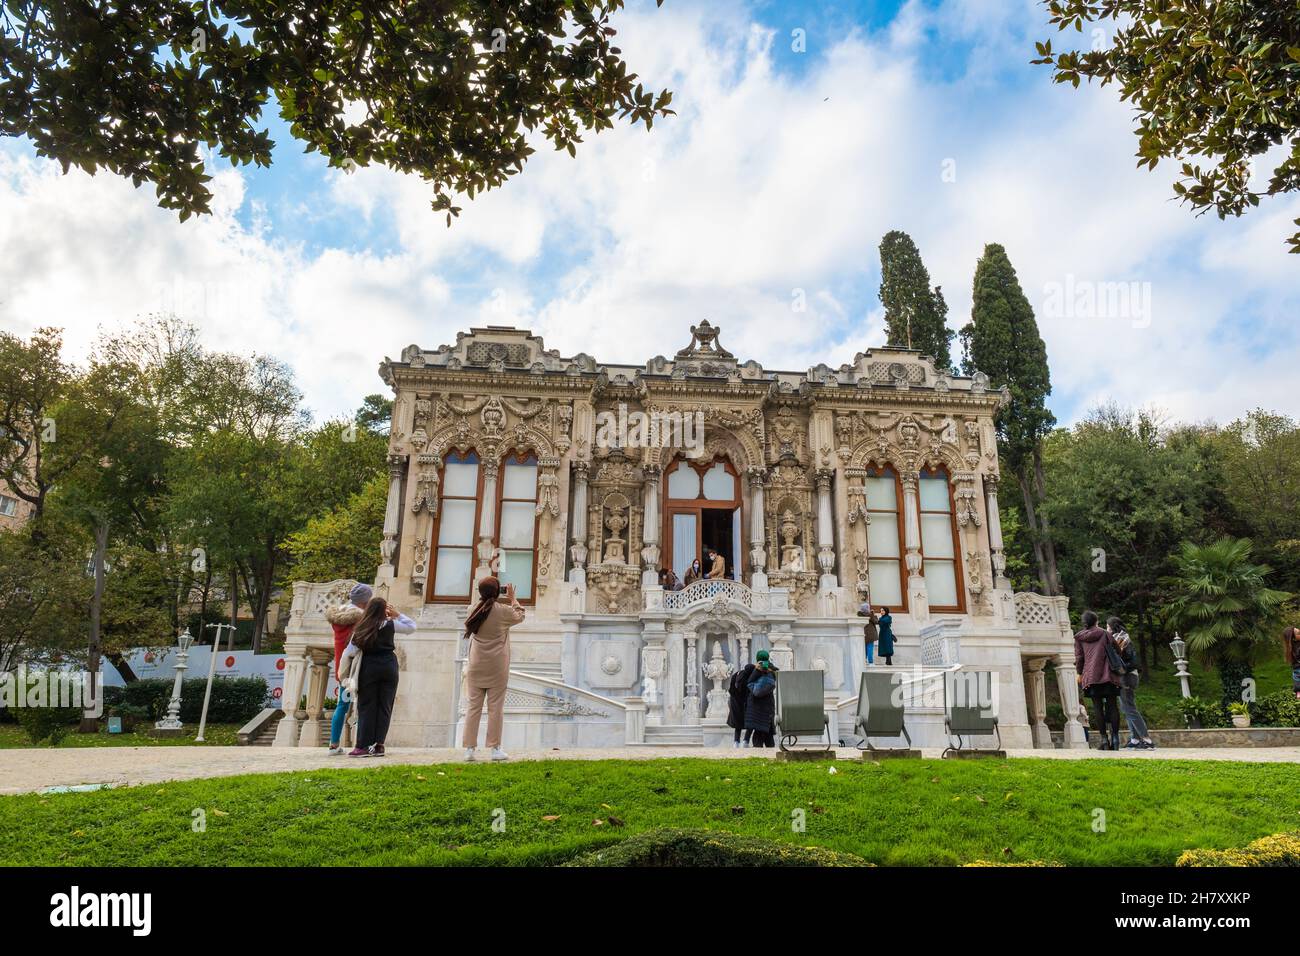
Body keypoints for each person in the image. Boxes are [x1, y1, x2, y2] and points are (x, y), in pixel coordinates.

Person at [462, 575, 526, 762]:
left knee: (473, 707)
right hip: (497, 666)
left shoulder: (472, 610)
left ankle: (469, 749)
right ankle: (495, 748)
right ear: (498, 592)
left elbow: (481, 608)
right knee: (495, 708)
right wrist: (513, 598)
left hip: (476, 665)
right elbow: (520, 615)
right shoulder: (503, 611)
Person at [346, 596, 415, 757]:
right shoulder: (390, 624)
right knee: (385, 705)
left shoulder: (362, 626)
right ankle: (379, 745)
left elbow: (350, 651)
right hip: (389, 664)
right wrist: (397, 614)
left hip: (369, 665)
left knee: (367, 705)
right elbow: (411, 627)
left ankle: (362, 745)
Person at [324, 582, 371, 755]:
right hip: (359, 666)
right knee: (363, 705)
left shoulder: (338, 614)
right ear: (364, 601)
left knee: (342, 705)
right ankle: (362, 744)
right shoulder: (362, 617)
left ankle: (333, 744)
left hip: (342, 668)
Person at [1075, 610, 1121, 750]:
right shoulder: (1105, 633)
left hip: (1091, 677)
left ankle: (1104, 740)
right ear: (1096, 621)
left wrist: (1079, 674)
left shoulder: (1079, 637)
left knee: (1097, 708)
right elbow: (1117, 651)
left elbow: (1079, 658)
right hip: (1108, 675)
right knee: (1112, 705)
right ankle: (1115, 738)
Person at [1109, 616, 1154, 750]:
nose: (1106, 628)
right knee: (1126, 708)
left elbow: (1128, 661)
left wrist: (1118, 669)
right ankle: (1135, 739)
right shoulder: (1122, 637)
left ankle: (1147, 740)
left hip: (1127, 676)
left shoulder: (1121, 638)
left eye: (1107, 626)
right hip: (1128, 676)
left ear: (1112, 626)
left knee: (1129, 708)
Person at [744, 650, 779, 748]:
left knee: (758, 736)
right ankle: (772, 757)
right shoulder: (772, 671)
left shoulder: (755, 670)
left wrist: (757, 669)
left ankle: (758, 758)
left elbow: (749, 683)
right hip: (768, 706)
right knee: (768, 736)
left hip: (756, 707)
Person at [727, 657, 756, 748]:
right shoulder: (749, 678)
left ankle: (736, 742)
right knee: (751, 723)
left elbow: (731, 689)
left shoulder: (736, 675)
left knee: (737, 725)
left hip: (735, 703)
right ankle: (746, 741)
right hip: (745, 704)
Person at [1284, 626, 1300, 700]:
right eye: (1299, 633)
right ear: (1294, 638)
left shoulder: (1291, 648)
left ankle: (1298, 693)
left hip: (1296, 672)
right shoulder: (1297, 649)